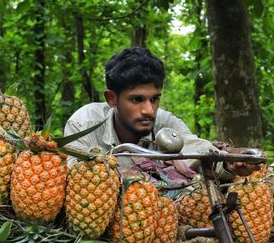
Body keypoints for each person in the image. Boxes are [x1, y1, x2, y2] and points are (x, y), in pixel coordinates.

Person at [64, 46, 258, 179]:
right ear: (111, 99)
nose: (149, 110)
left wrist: (228, 161)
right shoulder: (85, 125)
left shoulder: (164, 122)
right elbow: (77, 179)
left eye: (154, 99)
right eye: (136, 99)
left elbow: (195, 149)